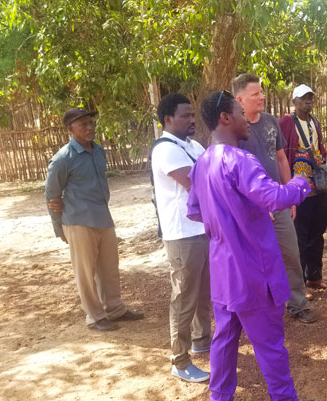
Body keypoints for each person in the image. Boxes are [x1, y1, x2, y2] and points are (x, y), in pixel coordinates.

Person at [188, 90, 309, 401]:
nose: (247, 121)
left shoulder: (202, 163)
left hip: (223, 272)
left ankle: (220, 397)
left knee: (224, 341)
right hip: (254, 272)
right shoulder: (239, 160)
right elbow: (275, 198)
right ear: (226, 118)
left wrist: (228, 225)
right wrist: (301, 181)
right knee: (270, 347)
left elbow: (194, 209)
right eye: (240, 114)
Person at [45, 107, 144, 331]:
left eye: (91, 123)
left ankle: (115, 308)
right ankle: (95, 316)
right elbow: (51, 195)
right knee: (85, 272)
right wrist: (59, 228)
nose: (90, 127)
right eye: (83, 125)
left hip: (103, 217)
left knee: (109, 267)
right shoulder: (62, 159)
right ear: (70, 129)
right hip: (78, 221)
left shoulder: (99, 151)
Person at [233, 73, 317, 323]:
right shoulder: (233, 128)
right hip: (250, 209)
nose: (262, 96)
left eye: (262, 92)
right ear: (240, 99)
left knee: (290, 253)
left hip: (277, 203)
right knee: (253, 261)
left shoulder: (271, 122)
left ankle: (298, 304)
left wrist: (289, 196)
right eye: (255, 94)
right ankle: (258, 311)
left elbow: (281, 158)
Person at [152, 94, 211, 382]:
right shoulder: (166, 150)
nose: (191, 120)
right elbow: (197, 184)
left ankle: (202, 340)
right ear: (168, 119)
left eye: (192, 114)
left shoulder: (194, 145)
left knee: (203, 291)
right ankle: (180, 359)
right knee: (184, 296)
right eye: (185, 115)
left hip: (201, 230)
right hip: (182, 235)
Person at [279, 84, 327, 291]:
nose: (308, 101)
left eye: (310, 97)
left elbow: (320, 148)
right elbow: (282, 153)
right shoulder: (286, 122)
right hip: (298, 185)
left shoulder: (315, 122)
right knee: (299, 235)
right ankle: (299, 284)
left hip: (318, 185)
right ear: (294, 101)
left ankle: (315, 277)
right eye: (304, 98)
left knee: (317, 232)